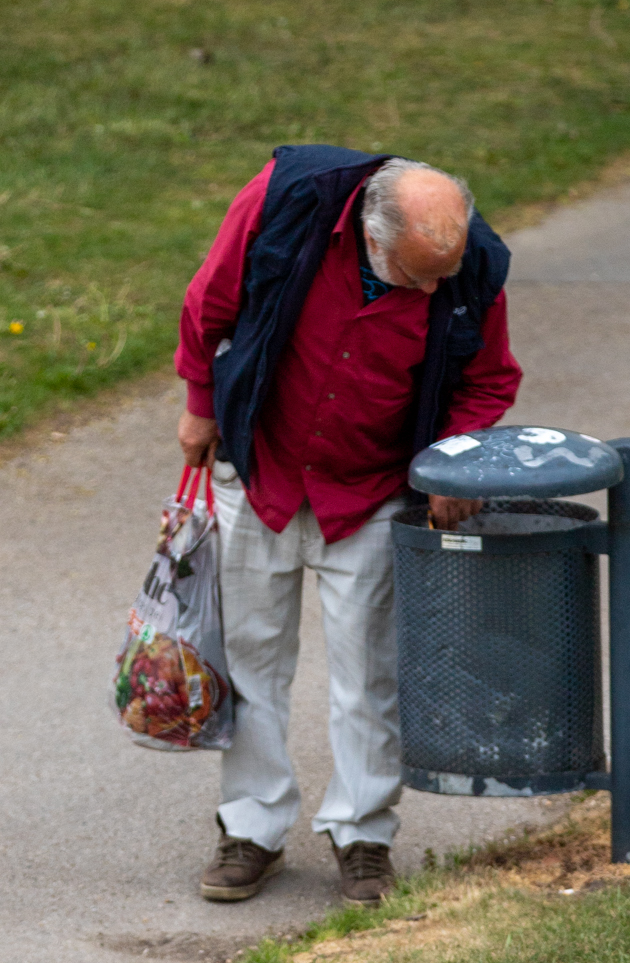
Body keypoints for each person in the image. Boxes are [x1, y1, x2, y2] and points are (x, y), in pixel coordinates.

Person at [174, 146, 523, 907]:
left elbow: (490, 378)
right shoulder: (284, 197)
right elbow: (210, 300)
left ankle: (363, 834)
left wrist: (446, 463)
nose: (435, 287)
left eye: (445, 270)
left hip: (369, 490)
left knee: (369, 674)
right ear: (371, 234)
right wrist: (201, 400)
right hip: (261, 466)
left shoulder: (470, 262)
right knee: (249, 658)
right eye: (417, 273)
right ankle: (251, 829)